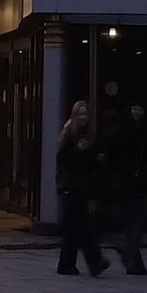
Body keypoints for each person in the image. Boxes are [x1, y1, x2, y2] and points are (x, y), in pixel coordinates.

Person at [54, 99, 107, 276]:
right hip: (72, 186)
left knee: (79, 226)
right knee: (79, 226)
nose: (83, 117)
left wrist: (97, 158)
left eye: (85, 114)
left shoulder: (89, 135)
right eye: (80, 114)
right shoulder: (69, 134)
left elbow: (88, 162)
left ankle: (88, 262)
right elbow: (62, 160)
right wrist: (77, 150)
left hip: (83, 186)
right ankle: (91, 262)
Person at [105, 102, 147, 274]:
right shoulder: (122, 131)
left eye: (140, 109)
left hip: (140, 180)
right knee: (133, 219)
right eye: (134, 108)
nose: (136, 112)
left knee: (135, 220)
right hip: (126, 180)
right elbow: (115, 155)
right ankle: (133, 260)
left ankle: (129, 254)